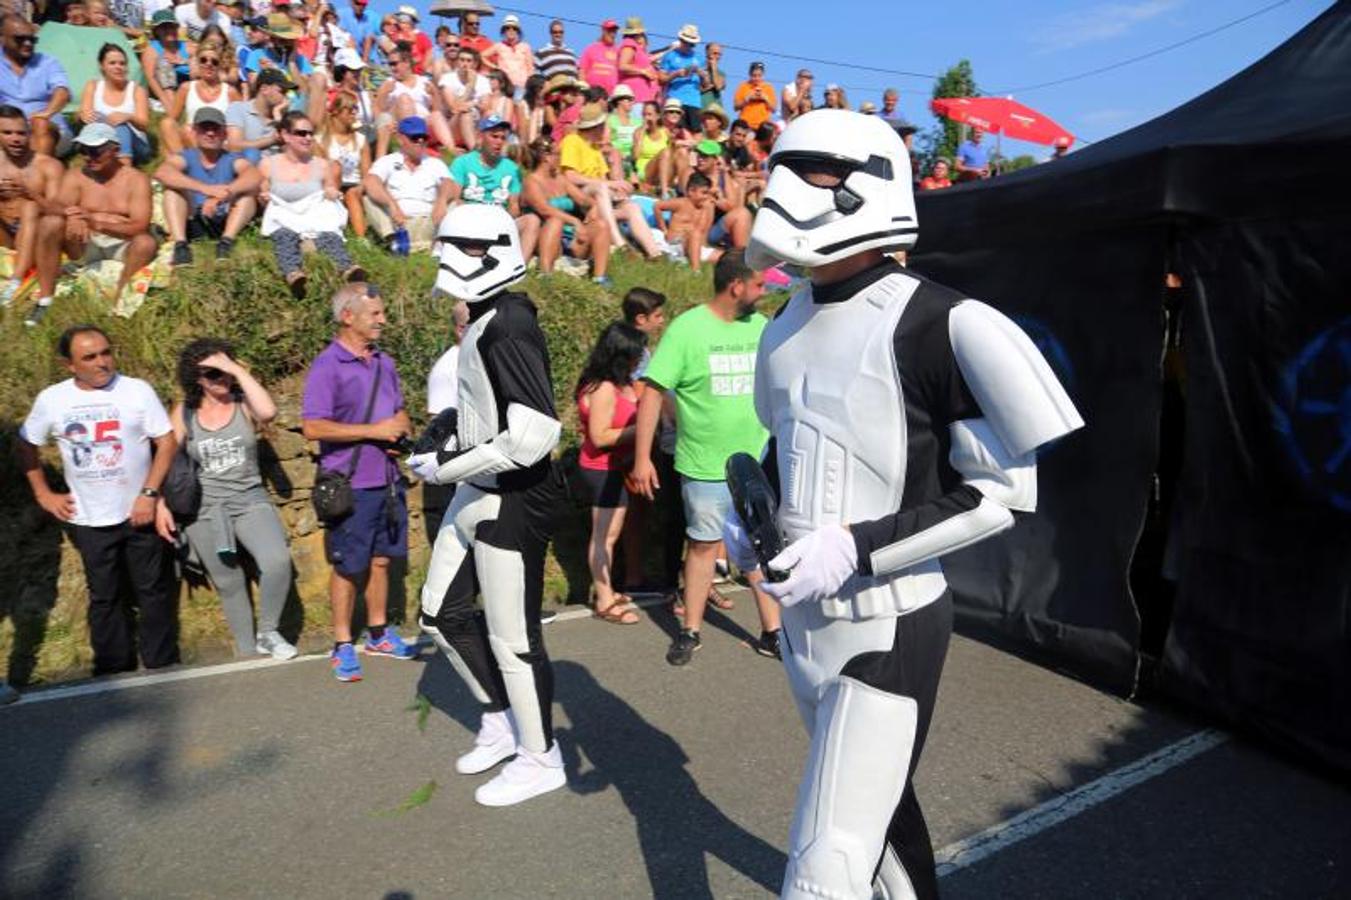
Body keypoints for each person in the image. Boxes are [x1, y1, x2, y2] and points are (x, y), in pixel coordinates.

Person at [738, 108, 1083, 899]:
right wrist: (752, 515)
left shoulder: (944, 323)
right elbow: (788, 444)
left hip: (888, 621)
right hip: (803, 623)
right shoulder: (781, 324)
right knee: (884, 827)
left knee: (825, 867)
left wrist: (852, 548)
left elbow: (999, 495)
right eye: (781, 168)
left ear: (871, 186)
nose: (788, 190)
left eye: (817, 171)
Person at [406, 203, 567, 807]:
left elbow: (533, 434)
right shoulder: (484, 320)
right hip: (479, 492)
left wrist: (445, 465)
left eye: (466, 248)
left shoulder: (509, 322)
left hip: (515, 501)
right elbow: (488, 414)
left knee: (513, 640)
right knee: (439, 616)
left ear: (492, 250)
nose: (451, 259)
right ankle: (502, 721)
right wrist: (449, 440)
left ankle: (540, 756)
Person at [629, 250, 783, 666]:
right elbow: (652, 393)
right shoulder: (687, 330)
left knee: (760, 545)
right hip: (704, 465)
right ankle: (690, 631)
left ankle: (774, 633)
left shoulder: (762, 328)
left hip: (756, 463)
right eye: (758, 284)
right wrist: (642, 458)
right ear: (736, 286)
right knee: (701, 546)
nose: (763, 291)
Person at [19, 324, 180, 676]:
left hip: (140, 509)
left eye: (106, 352)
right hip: (89, 516)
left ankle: (162, 664)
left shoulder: (136, 390)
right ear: (69, 365)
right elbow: (27, 443)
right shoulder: (53, 399)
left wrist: (150, 494)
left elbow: (166, 442)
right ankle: (112, 670)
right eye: (89, 357)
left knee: (152, 590)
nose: (102, 362)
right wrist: (44, 494)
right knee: (104, 595)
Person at [301, 282, 419, 683]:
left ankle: (380, 633)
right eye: (376, 314)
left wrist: (400, 429)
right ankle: (342, 644)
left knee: (383, 559)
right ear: (347, 316)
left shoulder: (384, 361)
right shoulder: (327, 366)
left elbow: (399, 412)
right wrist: (374, 430)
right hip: (351, 482)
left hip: (387, 478)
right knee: (348, 565)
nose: (383, 320)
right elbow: (312, 426)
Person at [168, 338, 298, 661]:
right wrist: (158, 501)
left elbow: (268, 412)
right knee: (229, 581)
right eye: (213, 374)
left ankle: (268, 631)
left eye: (225, 371)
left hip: (249, 500)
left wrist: (234, 369)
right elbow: (166, 457)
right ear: (196, 378)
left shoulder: (243, 402)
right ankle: (246, 652)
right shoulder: (184, 412)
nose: (222, 380)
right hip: (205, 509)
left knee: (277, 561)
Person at [30, 123, 156, 325]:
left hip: (121, 245)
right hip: (84, 243)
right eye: (83, 150)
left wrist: (95, 222)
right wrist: (70, 215)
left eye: (95, 151)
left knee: (146, 243)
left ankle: (119, 303)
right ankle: (45, 300)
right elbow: (54, 207)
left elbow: (139, 226)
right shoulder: (76, 176)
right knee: (49, 223)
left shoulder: (136, 179)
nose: (88, 157)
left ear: (115, 150)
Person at [576, 321, 646, 625]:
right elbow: (600, 436)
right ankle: (604, 600)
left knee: (611, 535)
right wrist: (641, 431)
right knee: (604, 536)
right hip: (600, 469)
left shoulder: (619, 381)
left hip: (615, 468)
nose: (640, 359)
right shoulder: (603, 387)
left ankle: (607, 589)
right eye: (635, 354)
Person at [259, 110, 361, 296]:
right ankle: (293, 273)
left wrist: (331, 192)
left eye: (310, 133)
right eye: (301, 133)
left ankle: (347, 268)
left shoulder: (321, 164)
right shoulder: (269, 163)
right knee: (284, 235)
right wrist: (264, 196)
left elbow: (329, 187)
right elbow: (264, 189)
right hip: (285, 216)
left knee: (330, 236)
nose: (307, 138)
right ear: (285, 135)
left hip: (315, 217)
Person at [155, 107, 259, 266]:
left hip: (223, 219)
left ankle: (226, 243)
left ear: (224, 134)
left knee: (247, 197)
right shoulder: (186, 156)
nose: (210, 133)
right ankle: (181, 246)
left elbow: (254, 175)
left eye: (216, 129)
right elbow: (163, 173)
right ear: (194, 132)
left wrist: (225, 193)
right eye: (204, 128)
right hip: (193, 219)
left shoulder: (232, 158)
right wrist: (206, 189)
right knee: (172, 192)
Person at [560, 101, 661, 261]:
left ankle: (654, 253)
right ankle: (620, 244)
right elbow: (569, 176)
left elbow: (603, 179)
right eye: (603, 125)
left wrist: (618, 190)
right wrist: (610, 184)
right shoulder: (572, 141)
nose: (606, 129)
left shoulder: (594, 148)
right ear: (596, 127)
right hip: (580, 196)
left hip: (600, 199)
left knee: (632, 207)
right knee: (600, 187)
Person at [447, 115, 539, 262]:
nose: (499, 142)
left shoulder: (512, 168)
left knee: (532, 221)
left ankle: (517, 268)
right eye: (494, 136)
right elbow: (454, 198)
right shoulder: (462, 163)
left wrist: (504, 218)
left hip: (500, 221)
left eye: (503, 138)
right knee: (455, 206)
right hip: (471, 218)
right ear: (480, 137)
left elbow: (514, 206)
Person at [0, 106, 63, 312]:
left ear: (29, 133)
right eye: (7, 133)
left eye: (21, 133)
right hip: (4, 235)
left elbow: (58, 211)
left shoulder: (48, 165)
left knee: (30, 206)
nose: (15, 139)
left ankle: (15, 281)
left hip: (34, 237)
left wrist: (31, 193)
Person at [362, 115, 452, 253]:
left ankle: (436, 246)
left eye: (424, 137)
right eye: (415, 138)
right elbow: (371, 182)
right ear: (400, 139)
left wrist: (442, 200)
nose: (420, 141)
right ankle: (395, 243)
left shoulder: (435, 163)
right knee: (368, 199)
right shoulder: (388, 161)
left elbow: (451, 185)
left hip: (428, 222)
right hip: (398, 223)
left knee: (454, 203)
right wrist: (391, 203)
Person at [521, 135, 607, 279]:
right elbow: (545, 210)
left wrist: (594, 206)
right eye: (558, 154)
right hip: (544, 238)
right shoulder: (531, 182)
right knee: (555, 221)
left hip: (568, 238)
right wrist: (575, 221)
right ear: (546, 157)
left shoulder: (560, 179)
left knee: (601, 225)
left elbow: (583, 199)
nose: (560, 158)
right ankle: (545, 274)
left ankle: (600, 278)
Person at [422, 299, 469, 543]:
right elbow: (439, 431)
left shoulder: (477, 363)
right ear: (460, 329)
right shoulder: (447, 369)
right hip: (451, 483)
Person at [1, 15, 71, 157]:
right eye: (20, 39)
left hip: (49, 130)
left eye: (32, 39)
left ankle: (37, 174)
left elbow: (62, 92)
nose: (28, 44)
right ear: (2, 38)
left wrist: (47, 113)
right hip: (7, 129)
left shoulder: (48, 62)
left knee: (40, 123)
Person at [159, 41, 240, 154]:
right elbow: (172, 120)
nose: (208, 64)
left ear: (220, 65)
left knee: (188, 130)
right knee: (167, 123)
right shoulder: (186, 88)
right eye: (203, 60)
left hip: (218, 142)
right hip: (192, 139)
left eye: (214, 62)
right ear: (198, 63)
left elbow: (240, 127)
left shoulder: (230, 92)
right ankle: (184, 162)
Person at [78, 44, 150, 164]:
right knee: (99, 118)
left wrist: (128, 117)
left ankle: (125, 167)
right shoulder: (93, 86)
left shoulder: (137, 90)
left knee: (120, 125)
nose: (118, 67)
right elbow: (84, 115)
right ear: (102, 66)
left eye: (122, 63)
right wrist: (82, 116)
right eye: (112, 63)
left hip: (136, 146)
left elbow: (144, 125)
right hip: (101, 142)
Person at [320, 90, 370, 237]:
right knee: (334, 168)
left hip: (354, 185)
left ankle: (361, 240)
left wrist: (361, 188)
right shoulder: (321, 139)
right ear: (336, 111)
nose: (355, 113)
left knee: (352, 194)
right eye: (350, 109)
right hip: (330, 185)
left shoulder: (361, 139)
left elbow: (366, 174)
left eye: (356, 109)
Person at [226, 67, 292, 163]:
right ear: (264, 89)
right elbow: (234, 146)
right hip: (246, 170)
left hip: (274, 172)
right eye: (282, 91)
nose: (285, 97)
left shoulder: (283, 117)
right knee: (252, 155)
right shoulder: (238, 108)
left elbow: (291, 154)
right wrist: (273, 139)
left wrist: (278, 119)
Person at [654, 171, 717, 271]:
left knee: (724, 256)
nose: (706, 197)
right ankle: (696, 270)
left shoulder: (703, 208)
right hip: (676, 242)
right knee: (695, 234)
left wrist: (709, 209)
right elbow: (657, 206)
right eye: (704, 193)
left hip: (692, 245)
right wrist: (664, 229)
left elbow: (703, 230)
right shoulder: (681, 203)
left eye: (708, 193)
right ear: (691, 191)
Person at [436, 46, 488, 150]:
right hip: (453, 125)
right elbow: (453, 108)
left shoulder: (483, 81)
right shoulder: (447, 79)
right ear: (457, 62)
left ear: (475, 64)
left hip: (476, 125)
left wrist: (472, 104)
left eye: (469, 61)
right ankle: (474, 152)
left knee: (491, 114)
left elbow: (486, 107)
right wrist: (470, 86)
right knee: (465, 114)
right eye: (462, 60)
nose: (465, 64)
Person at [142, 9, 190, 112]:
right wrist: (164, 99)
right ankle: (172, 106)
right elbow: (150, 78)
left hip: (189, 84)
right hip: (167, 88)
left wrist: (184, 62)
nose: (169, 30)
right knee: (164, 63)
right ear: (156, 31)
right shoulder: (152, 50)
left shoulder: (187, 45)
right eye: (164, 28)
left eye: (171, 26)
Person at [658, 23, 702, 131]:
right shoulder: (670, 56)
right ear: (681, 40)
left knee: (695, 133)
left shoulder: (700, 58)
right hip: (675, 100)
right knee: (675, 131)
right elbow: (661, 79)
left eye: (692, 44)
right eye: (687, 43)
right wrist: (675, 74)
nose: (689, 46)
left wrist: (702, 74)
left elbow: (706, 84)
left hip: (694, 101)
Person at [482, 13, 531, 93]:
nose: (511, 30)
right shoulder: (499, 46)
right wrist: (495, 67)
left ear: (518, 31)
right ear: (504, 31)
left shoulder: (525, 46)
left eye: (514, 28)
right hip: (505, 86)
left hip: (522, 86)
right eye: (507, 28)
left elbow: (530, 68)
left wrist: (529, 85)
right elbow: (481, 56)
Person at [631, 99, 671, 197]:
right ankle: (664, 194)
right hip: (645, 170)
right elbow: (635, 157)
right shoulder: (638, 132)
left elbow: (671, 155)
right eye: (644, 115)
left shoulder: (665, 132)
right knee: (664, 153)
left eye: (649, 115)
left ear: (657, 116)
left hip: (664, 170)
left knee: (680, 153)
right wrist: (642, 133)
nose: (646, 118)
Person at [615, 17, 657, 105]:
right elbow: (623, 66)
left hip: (642, 97)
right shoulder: (629, 44)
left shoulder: (635, 47)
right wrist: (643, 71)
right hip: (636, 95)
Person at [577, 18, 619, 95]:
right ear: (603, 31)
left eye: (614, 31)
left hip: (612, 97)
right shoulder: (591, 48)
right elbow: (582, 71)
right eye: (609, 30)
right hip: (592, 96)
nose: (612, 33)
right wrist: (583, 92)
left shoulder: (618, 51)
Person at [733, 61, 775, 133]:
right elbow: (735, 107)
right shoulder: (743, 86)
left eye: (759, 75)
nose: (756, 78)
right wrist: (747, 98)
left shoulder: (768, 87)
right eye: (754, 75)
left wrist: (765, 98)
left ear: (763, 75)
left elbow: (773, 109)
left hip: (763, 126)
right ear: (749, 74)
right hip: (746, 125)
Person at [699, 40, 724, 111]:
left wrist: (714, 67)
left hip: (716, 111)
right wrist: (707, 87)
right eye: (715, 53)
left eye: (719, 54)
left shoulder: (721, 73)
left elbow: (718, 86)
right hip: (701, 109)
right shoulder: (698, 69)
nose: (717, 56)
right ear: (707, 53)